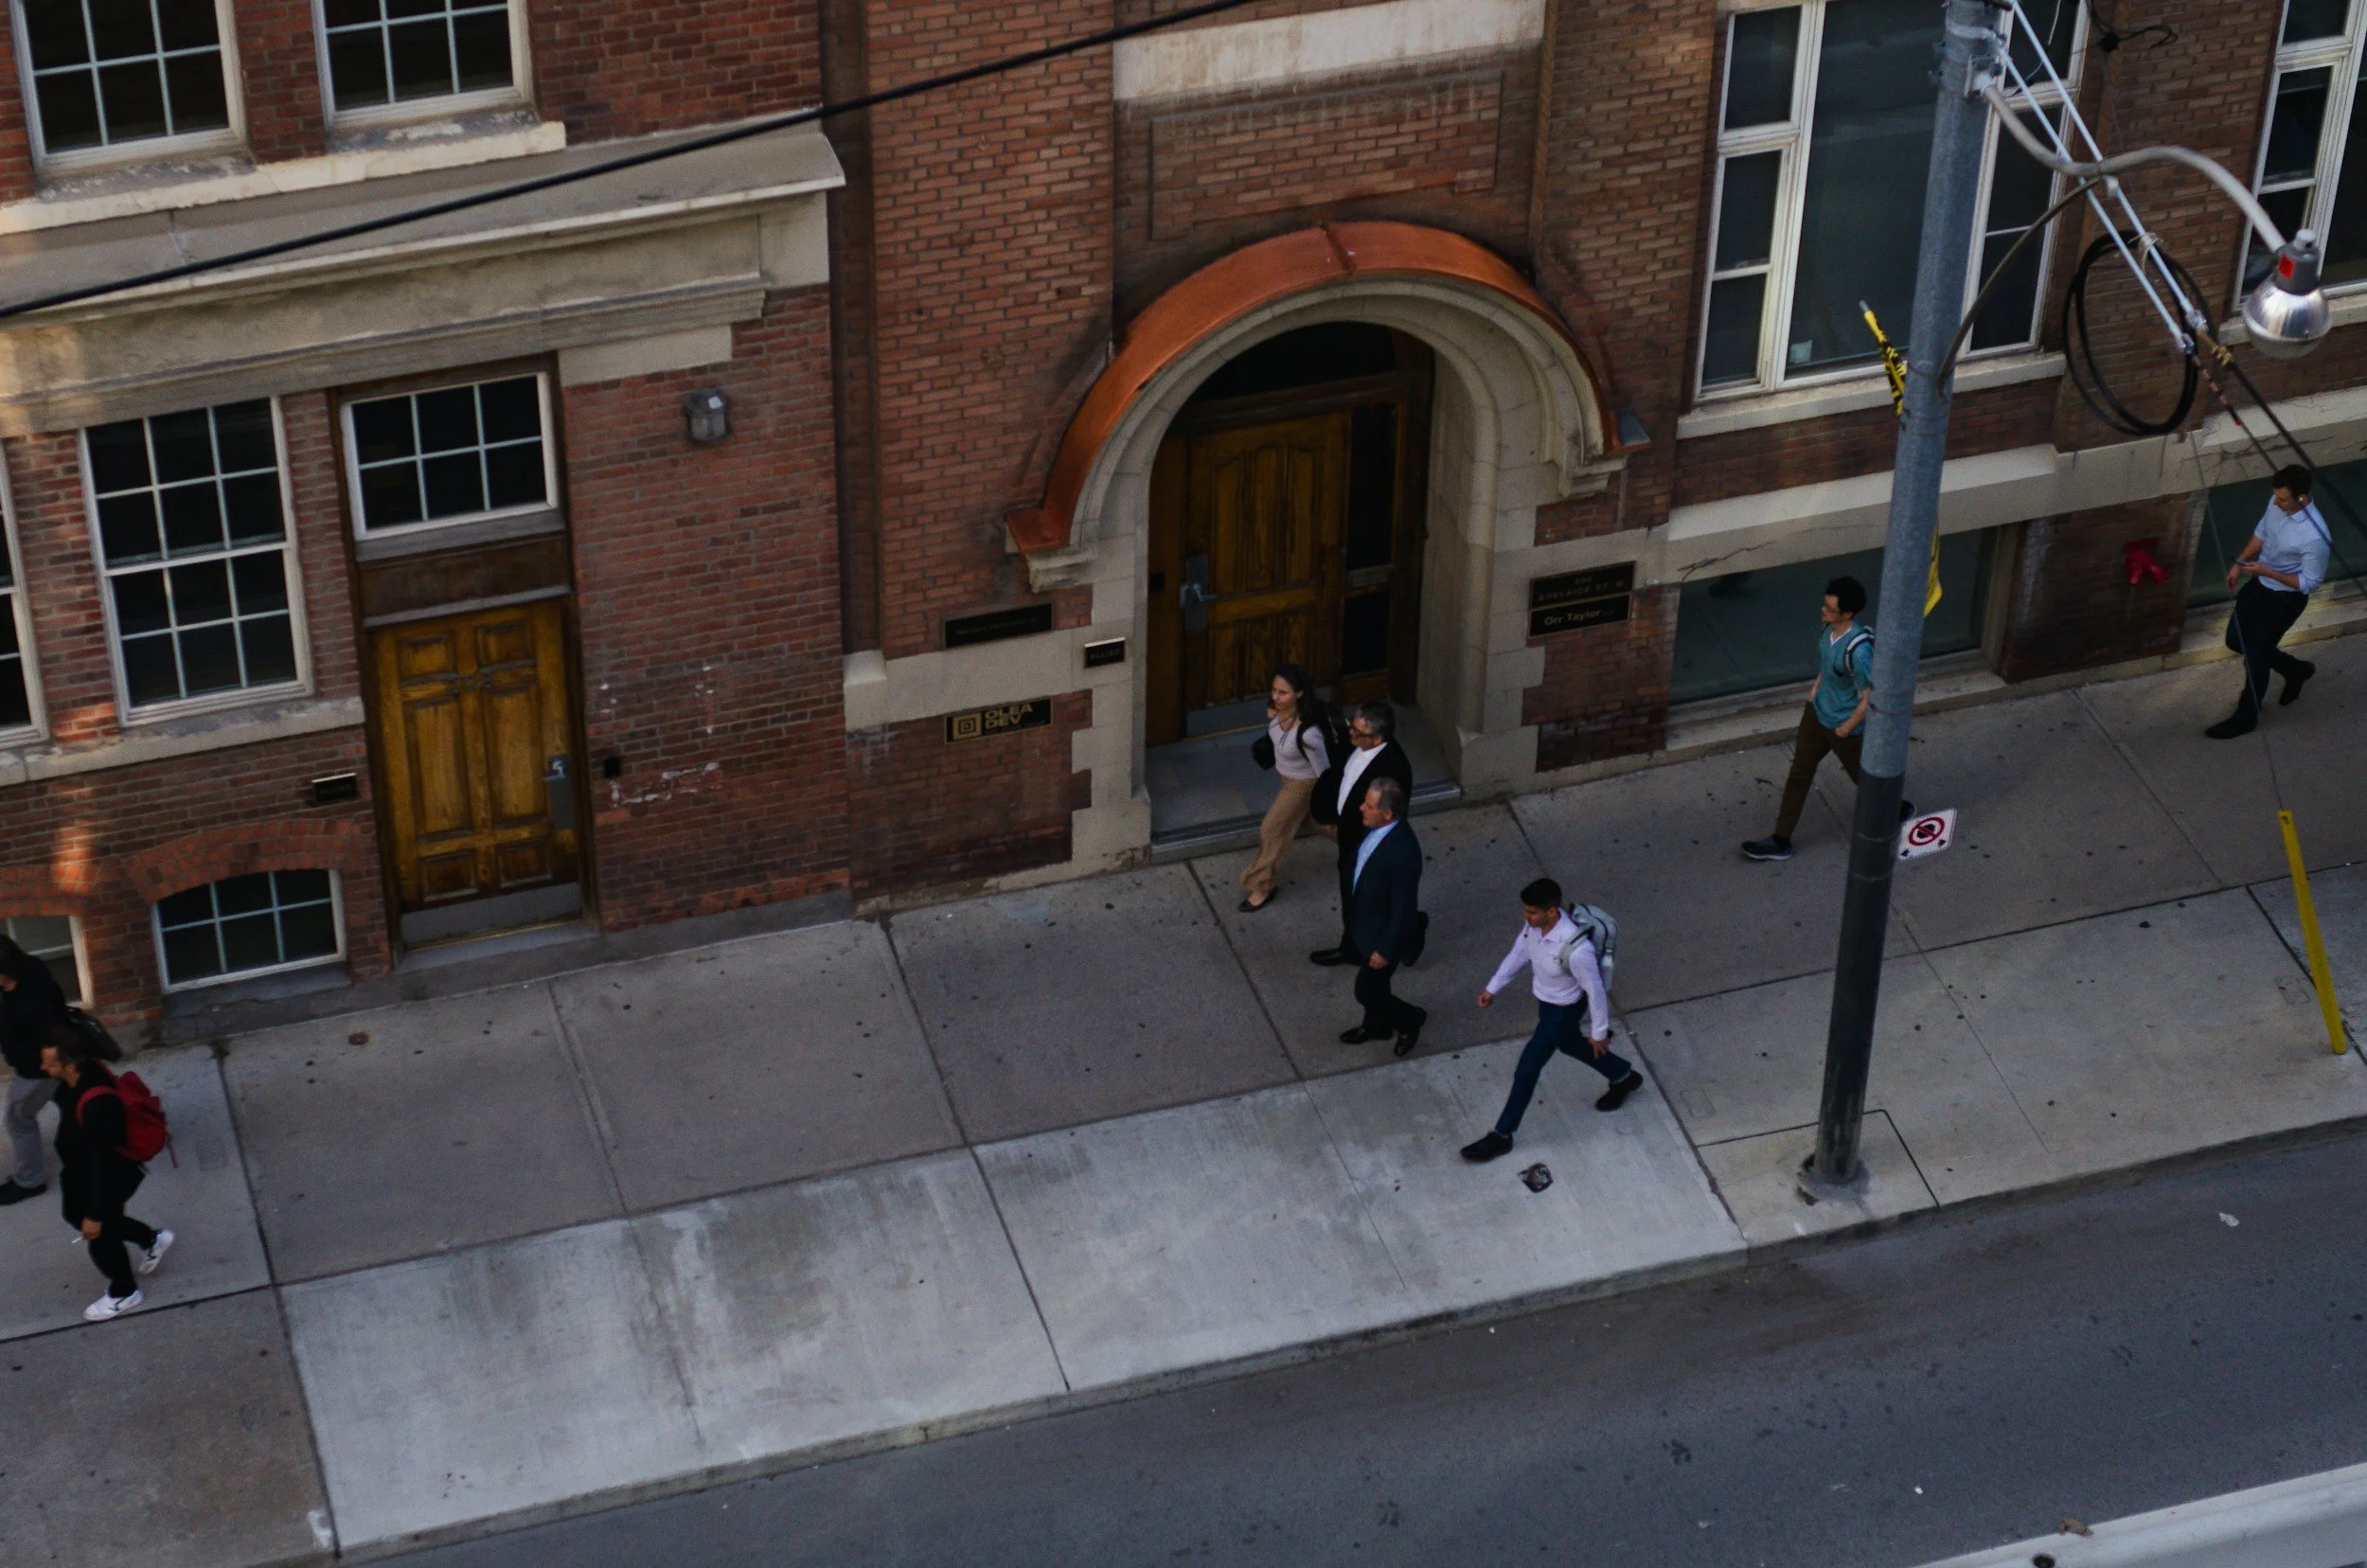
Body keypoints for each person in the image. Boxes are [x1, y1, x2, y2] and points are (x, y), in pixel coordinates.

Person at [1461, 879, 1644, 1164]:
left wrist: (1599, 1033)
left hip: (1562, 1012)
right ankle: (1624, 1077)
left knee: (1527, 1069)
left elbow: (1595, 991)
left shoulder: (1576, 949)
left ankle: (1502, 1135)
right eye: (1525, 911)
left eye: (1532, 912)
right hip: (1547, 1005)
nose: (1526, 917)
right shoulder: (1534, 928)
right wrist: (1492, 987)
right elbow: (1519, 955)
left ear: (1552, 910)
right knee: (1570, 1045)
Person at [1741, 576, 1908, 862]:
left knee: (1866, 781)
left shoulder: (1859, 651)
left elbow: (1869, 698)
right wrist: (1816, 688)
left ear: (1848, 614)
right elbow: (1827, 664)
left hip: (1844, 727)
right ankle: (1781, 841)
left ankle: (1895, 810)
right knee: (1799, 774)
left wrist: (1845, 729)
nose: (1824, 612)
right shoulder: (1827, 629)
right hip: (1817, 715)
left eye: (1830, 610)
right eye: (1825, 605)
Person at [44, 1027, 171, 1321]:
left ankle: (125, 1292)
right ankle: (151, 1239)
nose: (43, 1068)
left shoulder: (98, 1106)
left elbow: (106, 1164)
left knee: (99, 1234)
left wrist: (96, 1214)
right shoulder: (76, 1079)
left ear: (70, 1065)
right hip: (81, 1175)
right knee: (79, 1216)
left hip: (106, 1179)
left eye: (50, 1063)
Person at [2207, 464, 2333, 739]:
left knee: (2256, 656)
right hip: (2259, 585)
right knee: (2236, 640)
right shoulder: (2277, 502)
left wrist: (2268, 571)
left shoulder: (2315, 536)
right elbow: (2262, 533)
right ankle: (2296, 670)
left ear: (2301, 497)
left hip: (2284, 600)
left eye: (2283, 498)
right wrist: (2240, 564)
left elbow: (2310, 583)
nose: (2276, 502)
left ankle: (2246, 717)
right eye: (2275, 496)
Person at [1308, 701, 1415, 965]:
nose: (1351, 734)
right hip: (1349, 838)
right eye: (1351, 727)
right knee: (1353, 894)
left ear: (1378, 737)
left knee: (1371, 900)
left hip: (1367, 845)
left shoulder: (1394, 768)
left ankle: (1389, 942)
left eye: (1358, 731)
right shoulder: (1354, 745)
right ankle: (1353, 945)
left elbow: (1389, 816)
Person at [1339, 777, 1428, 1057]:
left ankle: (1410, 1020)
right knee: (1376, 987)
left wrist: (1385, 949)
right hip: (1366, 927)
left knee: (1367, 991)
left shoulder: (1402, 854)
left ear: (1388, 814)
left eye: (1368, 804)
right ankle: (1376, 1026)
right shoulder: (1377, 830)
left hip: (1382, 937)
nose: (1361, 807)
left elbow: (1403, 909)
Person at [1237, 665, 1333, 913]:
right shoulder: (1277, 712)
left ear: (1300, 694)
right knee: (1312, 823)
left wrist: (1327, 798)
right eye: (1274, 690)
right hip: (1286, 780)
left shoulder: (1309, 734)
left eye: (1284, 693)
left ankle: (1263, 886)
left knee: (1272, 829)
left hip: (1301, 786)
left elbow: (1324, 771)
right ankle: (1360, 842)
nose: (1276, 697)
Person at [0, 934, 71, 1204]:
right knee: (71, 1104)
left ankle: (30, 1181)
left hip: (37, 1072)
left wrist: (46, 1071)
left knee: (18, 1119)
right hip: (44, 1066)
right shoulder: (30, 966)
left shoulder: (31, 1005)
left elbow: (51, 1040)